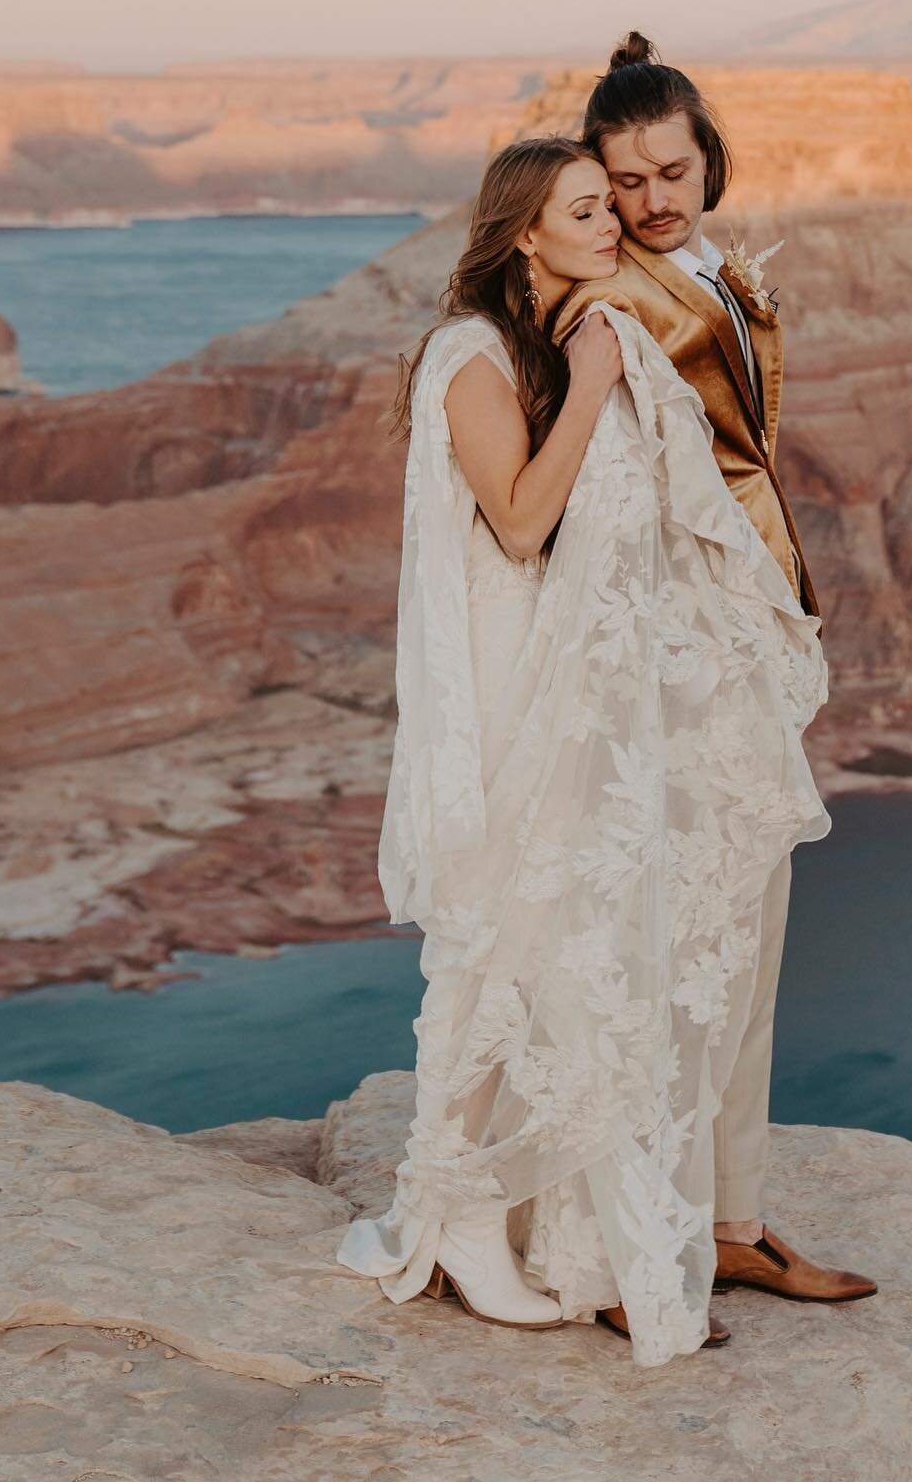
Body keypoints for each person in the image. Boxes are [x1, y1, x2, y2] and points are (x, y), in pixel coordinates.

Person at [335, 133, 833, 1366]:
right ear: (522, 233)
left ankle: (504, 1219)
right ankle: (450, 1217)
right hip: (514, 690)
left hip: (574, 684)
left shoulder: (556, 339)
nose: (613, 222)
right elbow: (515, 522)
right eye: (584, 210)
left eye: (611, 204)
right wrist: (602, 380)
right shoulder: (472, 354)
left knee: (558, 951)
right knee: (505, 940)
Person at [550, 34, 878, 1310]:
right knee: (674, 949)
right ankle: (641, 1236)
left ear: (710, 158)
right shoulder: (612, 299)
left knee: (753, 940)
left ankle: (733, 1218)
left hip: (748, 642)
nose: (651, 201)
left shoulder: (704, 274)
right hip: (672, 667)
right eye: (624, 181)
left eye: (670, 168)